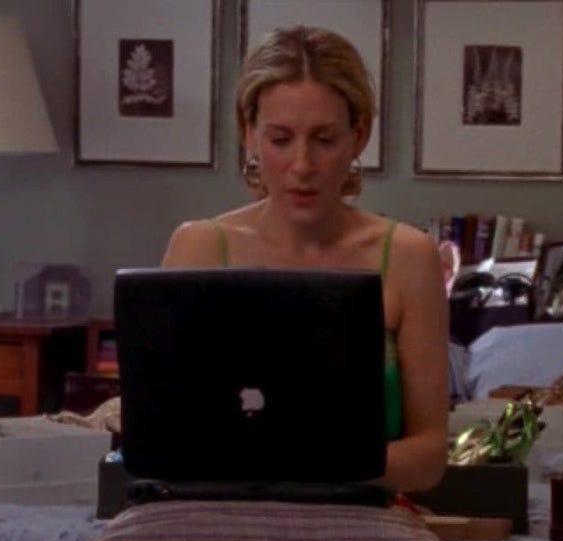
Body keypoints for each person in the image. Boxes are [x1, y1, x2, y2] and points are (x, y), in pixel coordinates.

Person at [162, 26, 448, 492]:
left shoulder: (407, 257)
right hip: (215, 509)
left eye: (324, 139)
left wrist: (302, 463)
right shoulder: (198, 248)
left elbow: (430, 455)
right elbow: (162, 429)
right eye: (280, 139)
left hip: (358, 515)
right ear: (249, 133)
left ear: (358, 135)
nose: (302, 166)